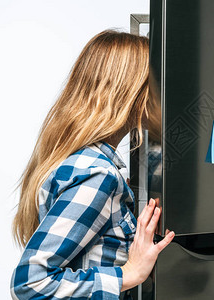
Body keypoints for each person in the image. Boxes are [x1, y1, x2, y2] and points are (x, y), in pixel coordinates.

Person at [10, 29, 175, 300]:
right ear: (130, 91)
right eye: (154, 83)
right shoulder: (98, 174)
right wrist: (130, 273)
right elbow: (30, 284)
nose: (160, 93)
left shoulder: (81, 161)